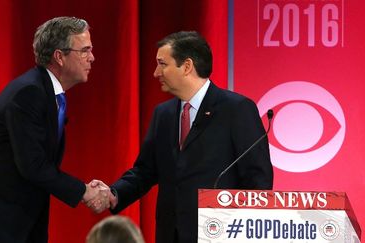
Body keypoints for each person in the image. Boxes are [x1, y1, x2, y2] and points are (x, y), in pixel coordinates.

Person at [92, 31, 274, 243]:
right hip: (171, 235)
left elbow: (258, 179)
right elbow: (145, 170)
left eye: (162, 64)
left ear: (187, 66)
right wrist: (114, 194)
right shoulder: (164, 114)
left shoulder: (237, 109)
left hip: (218, 234)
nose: (155, 72)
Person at [0, 17, 110, 243]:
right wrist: (83, 191)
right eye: (85, 50)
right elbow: (33, 165)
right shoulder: (29, 93)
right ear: (59, 56)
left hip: (8, 222)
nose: (92, 58)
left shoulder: (47, 94)